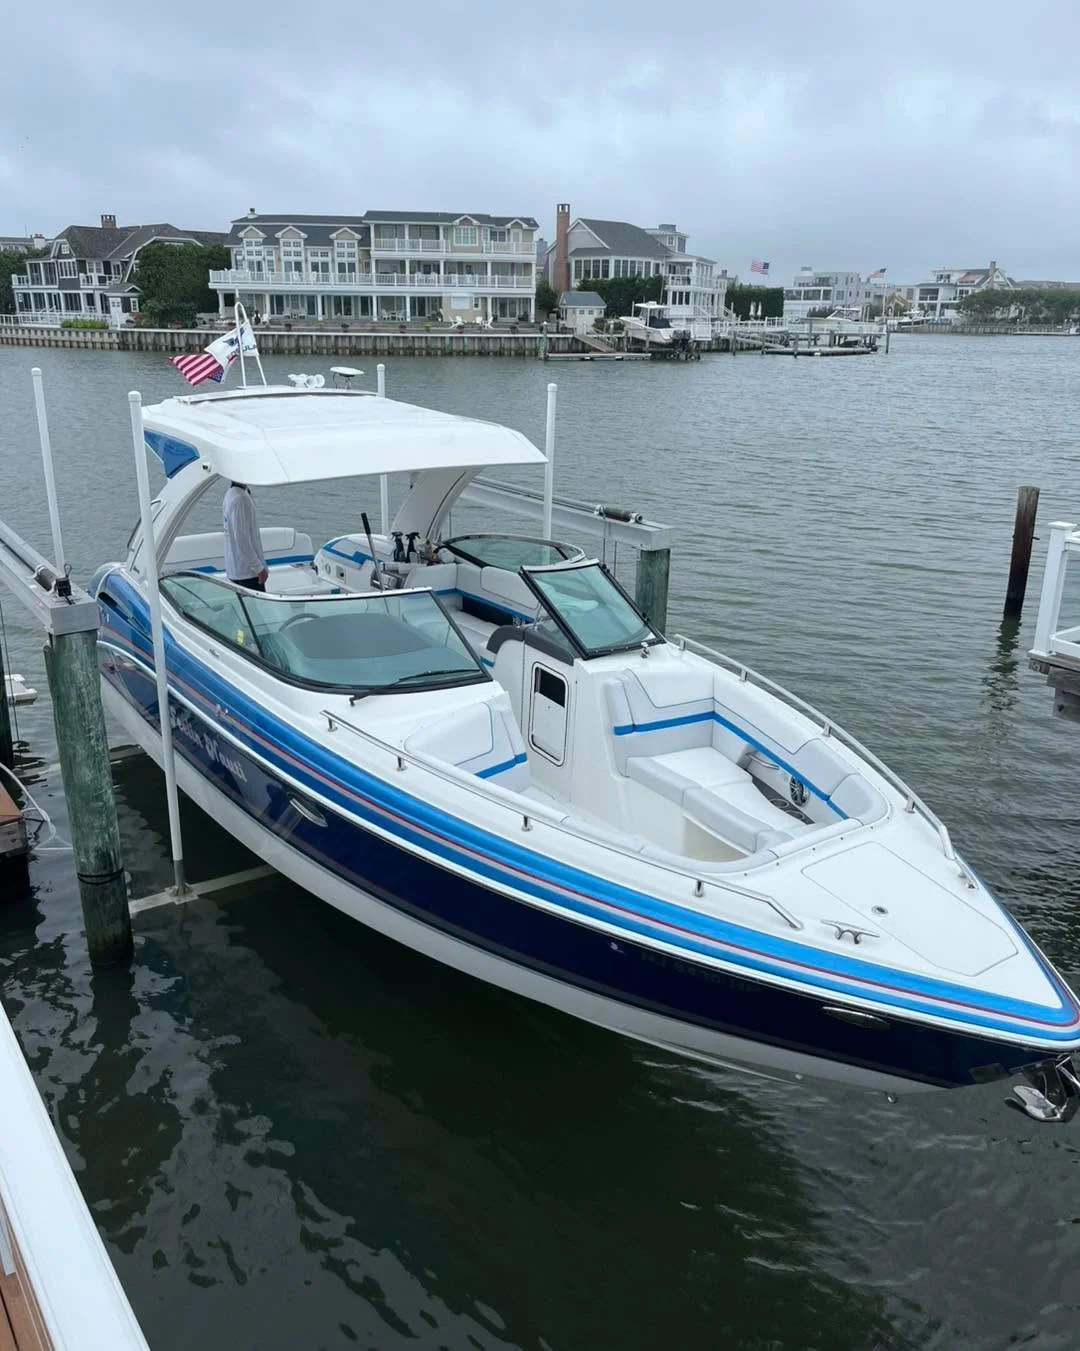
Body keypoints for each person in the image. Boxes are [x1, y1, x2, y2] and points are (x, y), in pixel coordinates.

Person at [223, 482, 268, 591]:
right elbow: (241, 538)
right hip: (247, 573)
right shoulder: (240, 499)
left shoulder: (230, 494)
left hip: (236, 570)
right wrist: (258, 568)